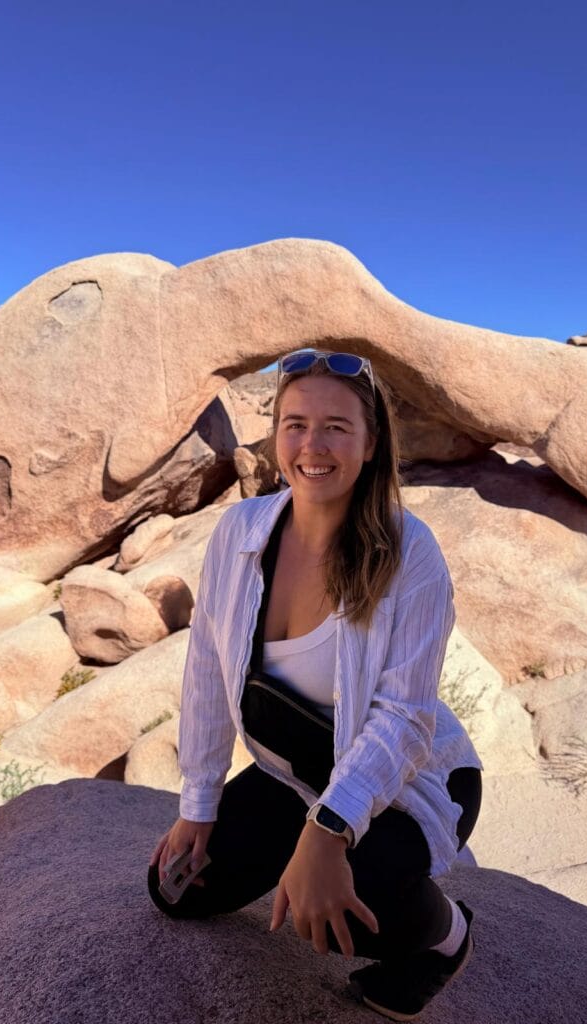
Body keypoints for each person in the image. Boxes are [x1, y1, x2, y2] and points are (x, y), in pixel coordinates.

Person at [148, 348, 483, 1021]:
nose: (312, 445)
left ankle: (447, 935)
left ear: (371, 441)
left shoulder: (408, 552)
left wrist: (326, 832)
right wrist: (199, 802)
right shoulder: (241, 531)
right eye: (295, 423)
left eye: (336, 426)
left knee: (337, 912)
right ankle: (305, 845)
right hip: (292, 773)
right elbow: (209, 668)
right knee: (174, 891)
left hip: (406, 784)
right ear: (276, 435)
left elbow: (405, 720)